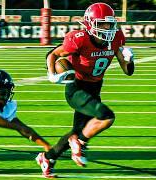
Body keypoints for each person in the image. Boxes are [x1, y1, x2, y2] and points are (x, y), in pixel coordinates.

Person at [36, 2, 135, 178]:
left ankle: (47, 158)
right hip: (76, 88)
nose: (107, 27)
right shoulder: (79, 38)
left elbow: (127, 71)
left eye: (109, 23)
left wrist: (129, 59)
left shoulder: (116, 37)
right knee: (106, 116)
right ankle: (80, 143)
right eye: (102, 23)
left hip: (95, 88)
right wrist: (51, 73)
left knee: (78, 130)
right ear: (90, 23)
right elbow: (53, 54)